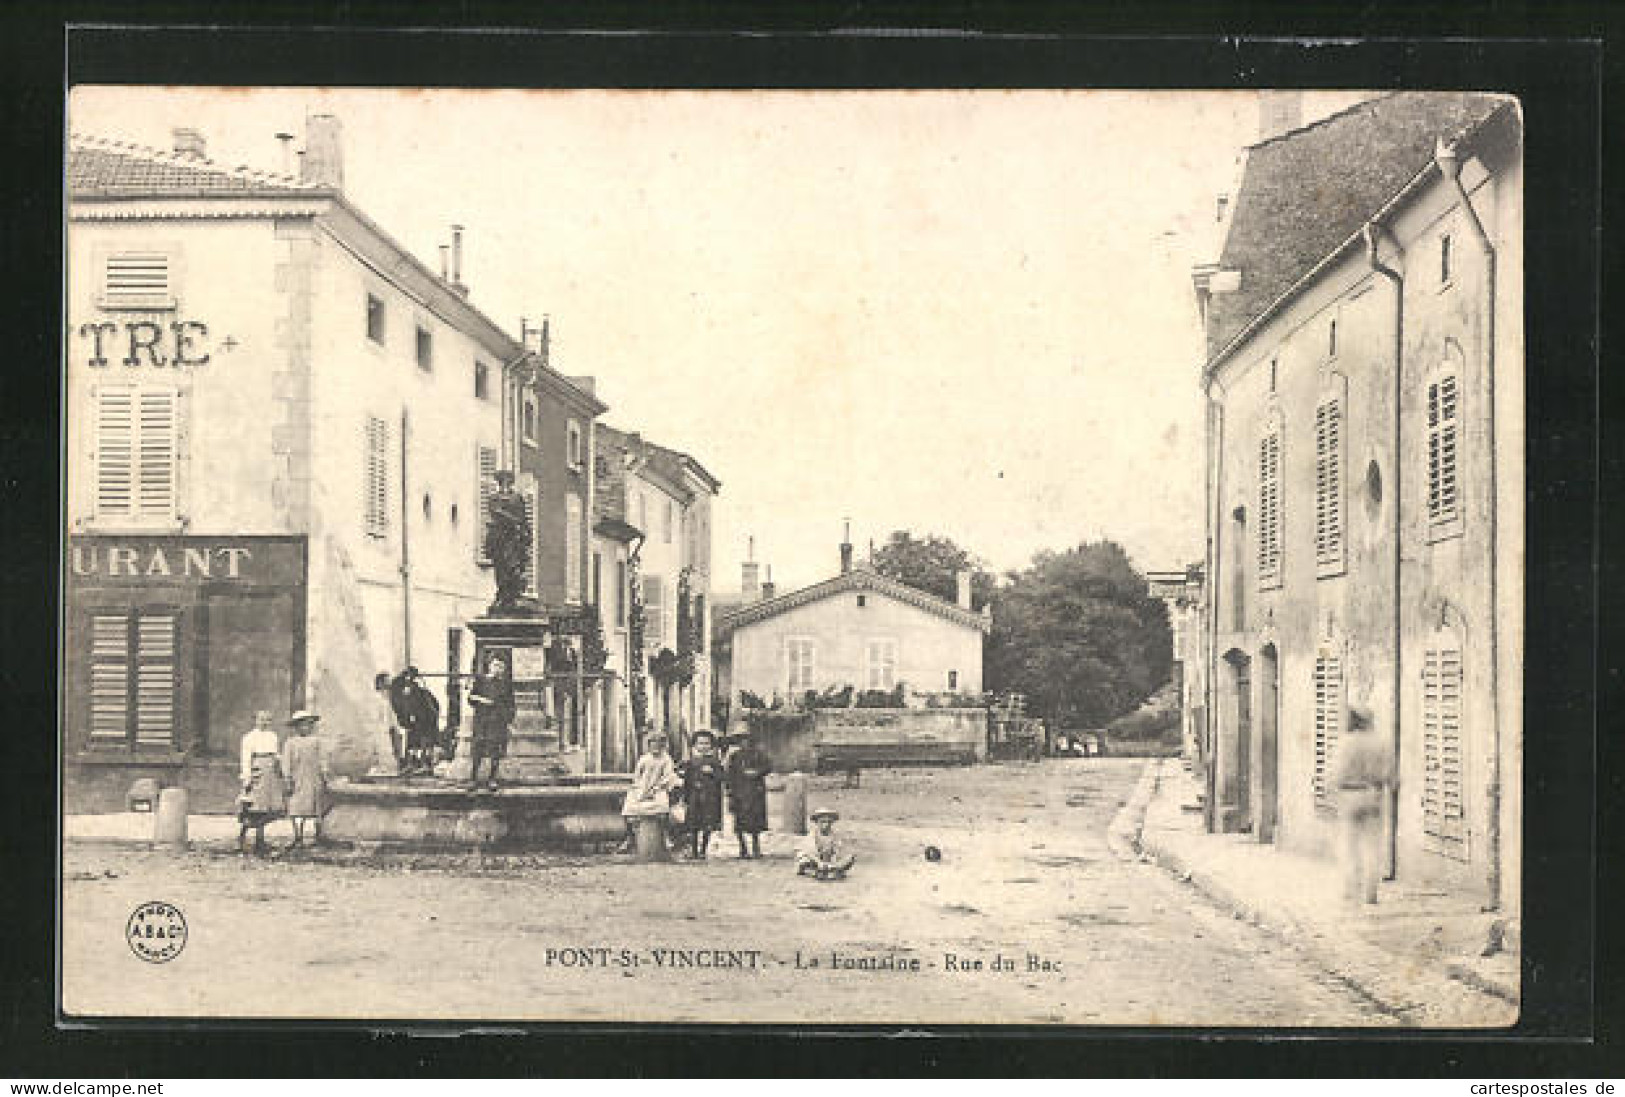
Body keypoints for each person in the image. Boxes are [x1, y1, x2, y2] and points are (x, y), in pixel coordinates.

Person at [1332, 705, 1395, 906]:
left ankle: (1350, 890)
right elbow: (1391, 776)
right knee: (1372, 846)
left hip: (1350, 795)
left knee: (1349, 846)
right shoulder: (1381, 744)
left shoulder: (1345, 744)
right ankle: (1371, 893)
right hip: (1373, 794)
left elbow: (1335, 774)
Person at [618, 729, 679, 854]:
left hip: (658, 788)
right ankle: (629, 836)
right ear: (649, 746)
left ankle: (666, 834)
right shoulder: (644, 759)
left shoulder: (666, 759)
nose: (656, 747)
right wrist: (638, 788)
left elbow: (668, 776)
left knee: (663, 807)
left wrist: (658, 787)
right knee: (628, 806)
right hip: (642, 787)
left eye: (659, 745)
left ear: (663, 746)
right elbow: (637, 775)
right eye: (653, 744)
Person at [237, 710, 286, 855]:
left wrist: (280, 763)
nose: (265, 723)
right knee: (253, 807)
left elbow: (275, 754)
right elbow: (246, 759)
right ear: (255, 720)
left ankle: (260, 840)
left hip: (270, 773)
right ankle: (242, 837)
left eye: (268, 720)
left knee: (267, 808)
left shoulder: (273, 736)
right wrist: (247, 777)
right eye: (262, 719)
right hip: (257, 771)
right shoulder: (249, 737)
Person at [485, 469, 533, 614]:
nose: (504, 483)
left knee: (514, 567)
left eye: (507, 480)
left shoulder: (517, 498)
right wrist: (514, 520)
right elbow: (496, 512)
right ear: (498, 482)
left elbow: (524, 517)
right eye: (501, 480)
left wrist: (527, 533)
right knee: (500, 568)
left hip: (514, 538)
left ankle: (512, 597)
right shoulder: (494, 498)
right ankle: (502, 595)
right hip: (499, 537)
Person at [467, 652, 517, 791]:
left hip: (498, 721)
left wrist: (509, 721)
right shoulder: (480, 681)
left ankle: (492, 779)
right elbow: (470, 698)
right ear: (489, 666)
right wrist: (482, 700)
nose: (498, 669)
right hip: (482, 720)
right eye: (495, 665)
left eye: (501, 666)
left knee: (495, 750)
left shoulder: (506, 685)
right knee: (478, 748)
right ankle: (473, 778)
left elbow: (511, 704)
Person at [282, 710, 329, 849]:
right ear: (296, 727)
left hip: (314, 777)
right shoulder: (290, 743)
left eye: (308, 725)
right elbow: (286, 762)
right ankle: (298, 837)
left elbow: (323, 759)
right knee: (297, 807)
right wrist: (287, 778)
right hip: (298, 779)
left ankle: (319, 836)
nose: (305, 728)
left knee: (317, 807)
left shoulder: (317, 741)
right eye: (301, 725)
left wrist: (325, 774)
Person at [676, 730, 726, 859]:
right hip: (694, 797)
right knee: (693, 824)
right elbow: (686, 780)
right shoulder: (691, 762)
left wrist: (713, 773)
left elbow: (722, 778)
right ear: (695, 746)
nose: (703, 746)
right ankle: (693, 850)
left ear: (711, 746)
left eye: (706, 743)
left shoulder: (715, 761)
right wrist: (685, 797)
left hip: (710, 797)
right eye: (700, 743)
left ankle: (703, 849)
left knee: (707, 824)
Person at [725, 727, 772, 859]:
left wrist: (757, 772)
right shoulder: (734, 757)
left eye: (747, 739)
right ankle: (743, 848)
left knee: (755, 823)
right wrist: (730, 791)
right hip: (739, 793)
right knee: (739, 822)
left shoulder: (759, 754)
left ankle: (756, 848)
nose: (744, 742)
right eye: (741, 740)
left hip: (755, 792)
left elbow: (768, 767)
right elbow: (729, 775)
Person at [390, 666, 441, 775]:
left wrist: (413, 718)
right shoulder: (403, 689)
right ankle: (414, 764)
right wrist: (407, 720)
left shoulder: (418, 691)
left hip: (425, 718)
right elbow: (404, 707)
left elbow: (428, 707)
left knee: (424, 740)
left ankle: (424, 765)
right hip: (418, 718)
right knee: (414, 740)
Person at [796, 806, 856, 880]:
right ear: (817, 823)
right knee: (804, 859)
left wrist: (833, 863)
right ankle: (814, 871)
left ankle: (831, 871)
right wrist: (819, 862)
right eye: (823, 822)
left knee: (849, 857)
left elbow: (836, 851)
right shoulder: (813, 835)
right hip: (815, 860)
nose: (826, 825)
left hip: (827, 861)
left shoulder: (834, 836)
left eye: (829, 822)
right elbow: (809, 852)